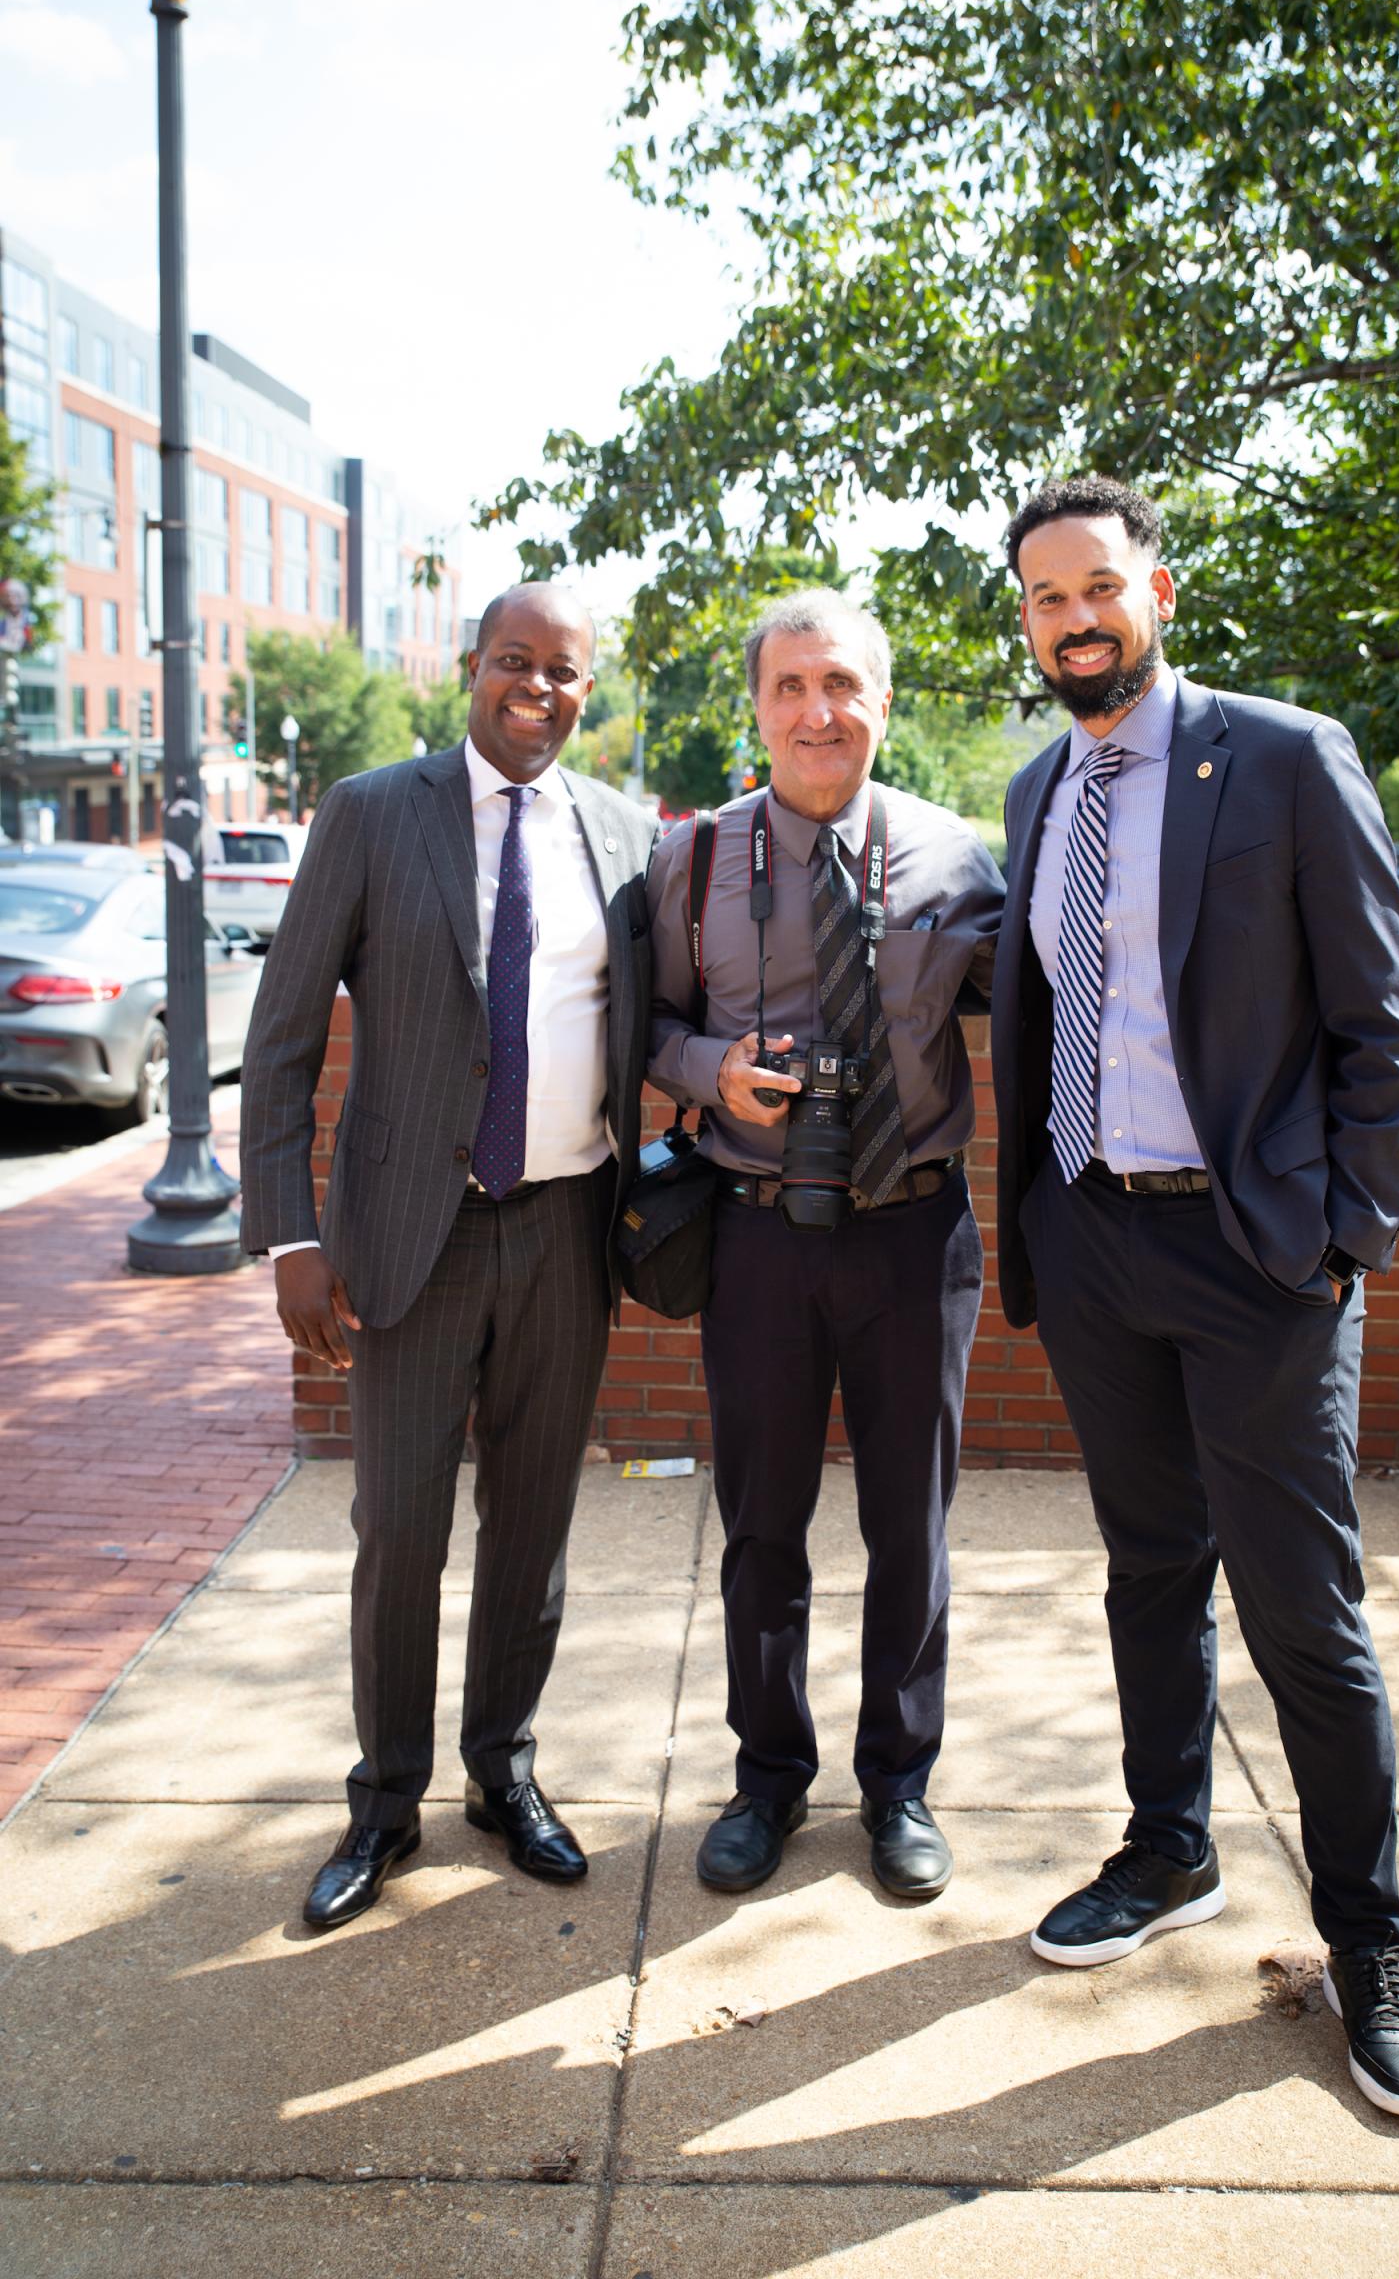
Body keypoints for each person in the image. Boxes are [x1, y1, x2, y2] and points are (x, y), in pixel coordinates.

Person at [990, 476, 1399, 2119]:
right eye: (1045, 600)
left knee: (1305, 1621)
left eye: (1097, 588)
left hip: (1260, 1257)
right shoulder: (1043, 788)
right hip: (1101, 1239)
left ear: (1157, 591)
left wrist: (1349, 1241)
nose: (1073, 620)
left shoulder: (1282, 754)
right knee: (1148, 1573)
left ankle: (1370, 1944)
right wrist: (1045, 1220)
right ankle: (1169, 1849)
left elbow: (1383, 1025)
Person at [240, 582, 657, 1930]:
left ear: (590, 689)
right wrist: (293, 1236)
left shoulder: (624, 832)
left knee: (532, 1531)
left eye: (565, 672)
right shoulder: (373, 813)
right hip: (407, 1240)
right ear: (470, 669)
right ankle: (385, 1800)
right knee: (399, 1531)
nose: (537, 689)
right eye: (513, 663)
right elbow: (284, 1038)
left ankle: (503, 1773)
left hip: (565, 1228)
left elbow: (656, 1021)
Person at [649, 589, 1003, 1899]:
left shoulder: (957, 854)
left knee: (911, 1526)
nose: (818, 711)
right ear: (757, 703)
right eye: (792, 686)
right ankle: (768, 1778)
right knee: (763, 1529)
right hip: (756, 1240)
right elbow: (646, 1027)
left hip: (916, 1236)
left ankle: (898, 1784)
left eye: (843, 684)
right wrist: (708, 1068)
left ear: (883, 702)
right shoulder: (690, 863)